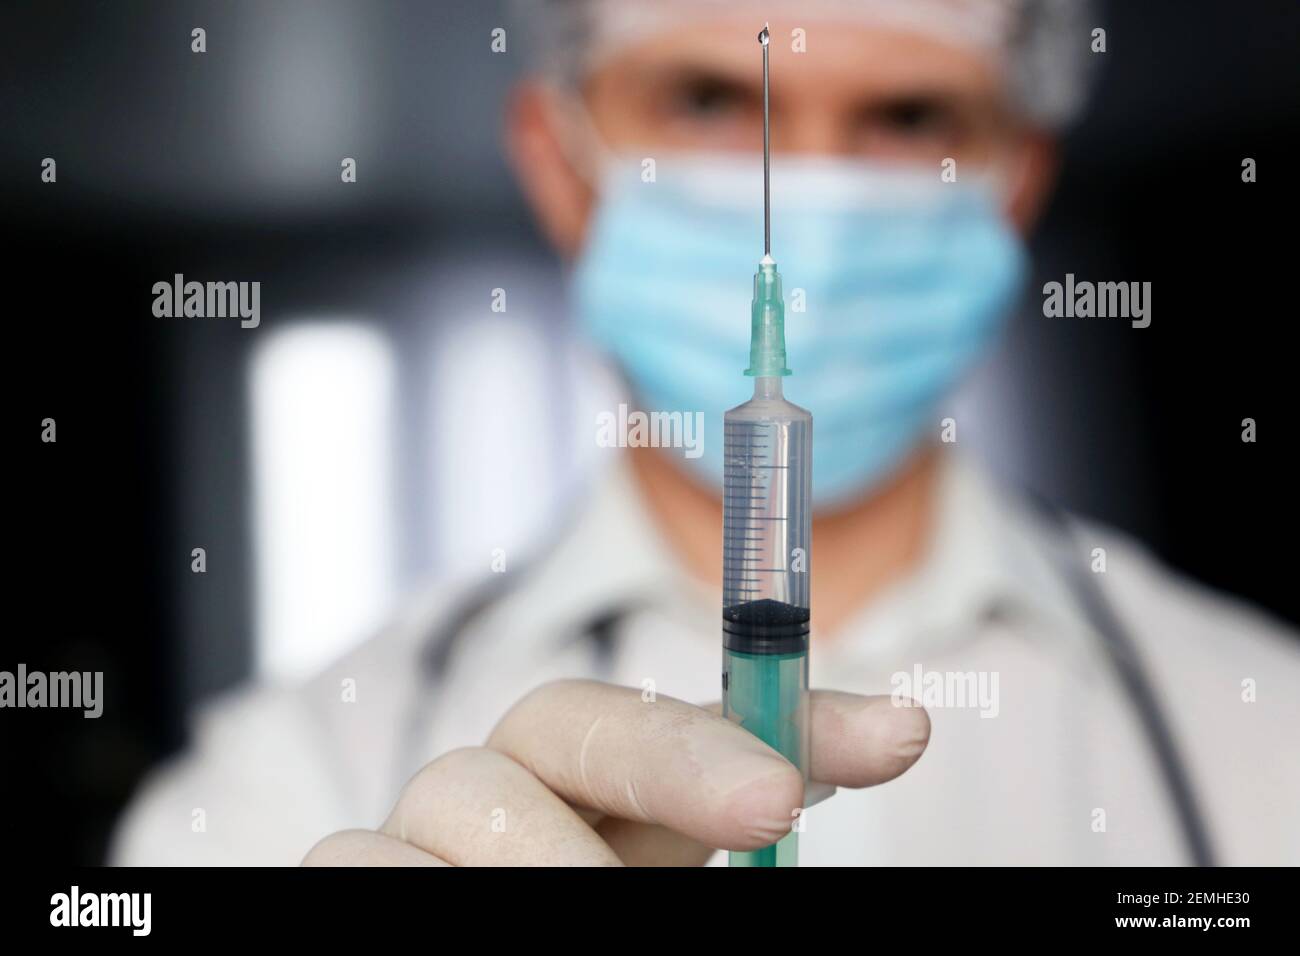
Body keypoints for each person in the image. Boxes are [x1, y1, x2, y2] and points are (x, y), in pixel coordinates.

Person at [112, 0, 1300, 866]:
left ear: (1016, 180)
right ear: (558, 162)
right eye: (709, 100)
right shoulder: (285, 787)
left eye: (907, 114)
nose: (812, 199)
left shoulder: (1261, 731)